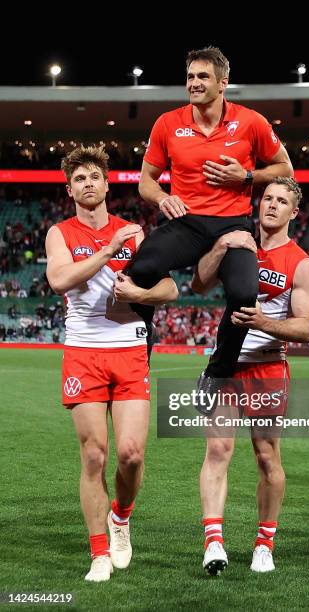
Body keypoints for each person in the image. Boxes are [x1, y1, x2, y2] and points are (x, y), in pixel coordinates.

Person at [45, 145, 178, 582]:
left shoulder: (134, 232)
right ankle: (99, 552)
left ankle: (121, 516)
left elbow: (170, 290)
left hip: (129, 350)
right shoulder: (60, 233)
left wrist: (138, 295)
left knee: (131, 454)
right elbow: (60, 279)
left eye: (94, 177)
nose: (88, 184)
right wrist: (106, 252)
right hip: (83, 353)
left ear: (106, 184)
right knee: (95, 455)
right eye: (79, 179)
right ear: (70, 190)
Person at [126, 46, 293, 391]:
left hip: (233, 224)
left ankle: (217, 372)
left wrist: (245, 177)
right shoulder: (167, 123)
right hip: (187, 221)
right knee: (139, 269)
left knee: (246, 296)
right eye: (190, 76)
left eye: (203, 76)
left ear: (223, 83)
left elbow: (285, 169)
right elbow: (146, 181)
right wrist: (163, 197)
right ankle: (143, 337)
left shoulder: (251, 121)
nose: (194, 83)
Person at [192, 177, 309, 574]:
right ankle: (214, 542)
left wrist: (264, 321)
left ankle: (264, 543)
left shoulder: (301, 264)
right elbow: (199, 284)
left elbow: (308, 328)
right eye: (268, 198)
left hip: (267, 369)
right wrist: (218, 246)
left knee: (266, 458)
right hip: (227, 366)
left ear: (293, 213)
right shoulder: (238, 243)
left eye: (282, 201)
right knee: (217, 452)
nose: (272, 205)